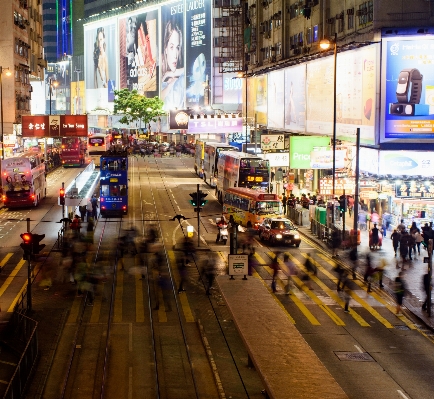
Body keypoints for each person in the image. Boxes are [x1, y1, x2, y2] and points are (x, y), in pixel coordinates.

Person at [161, 19, 185, 110]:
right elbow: (157, 100)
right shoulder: (158, 77)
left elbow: (189, 69)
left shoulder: (182, 78)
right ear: (165, 48)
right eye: (171, 47)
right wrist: (170, 85)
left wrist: (172, 73)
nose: (175, 55)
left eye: (177, 48)